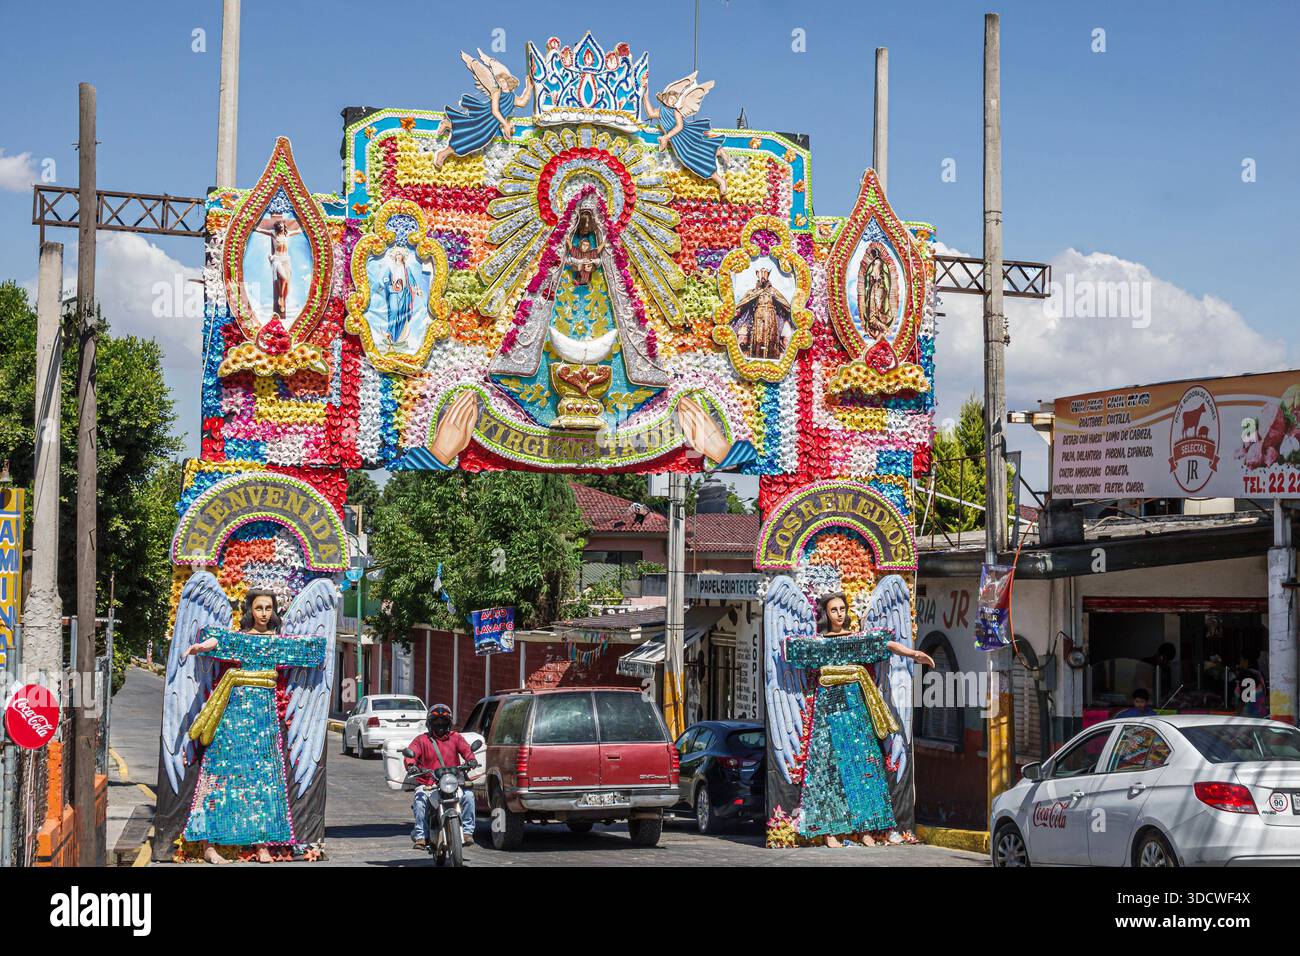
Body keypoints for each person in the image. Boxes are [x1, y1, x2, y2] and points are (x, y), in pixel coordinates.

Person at [787, 592, 933, 848]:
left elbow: (885, 644)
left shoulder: (855, 640)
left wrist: (913, 654)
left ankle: (866, 829)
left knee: (865, 765)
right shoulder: (819, 644)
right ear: (826, 614)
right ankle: (830, 831)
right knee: (827, 769)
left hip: (855, 707)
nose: (839, 613)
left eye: (842, 608)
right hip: (828, 707)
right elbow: (790, 650)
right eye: (834, 610)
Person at [405, 703, 478, 848]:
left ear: (449, 723)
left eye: (443, 722)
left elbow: (467, 751)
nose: (440, 725)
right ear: (429, 724)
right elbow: (410, 753)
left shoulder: (455, 737)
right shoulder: (421, 740)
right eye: (436, 722)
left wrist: (471, 760)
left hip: (452, 782)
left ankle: (467, 832)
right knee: (419, 801)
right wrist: (411, 765)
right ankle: (421, 836)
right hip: (429, 784)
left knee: (469, 797)